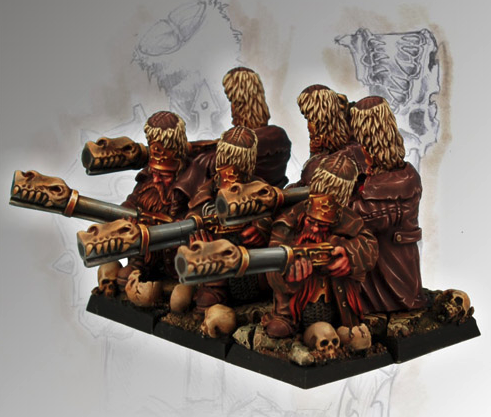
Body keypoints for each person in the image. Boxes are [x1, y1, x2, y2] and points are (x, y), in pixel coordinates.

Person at [263, 154, 378, 338]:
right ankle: (287, 319)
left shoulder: (348, 219)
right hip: (292, 307)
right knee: (279, 328)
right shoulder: (288, 220)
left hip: (338, 303)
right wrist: (287, 273)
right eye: (311, 222)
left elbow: (369, 245)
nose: (315, 229)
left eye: (323, 226)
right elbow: (272, 260)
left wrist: (350, 255)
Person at [349, 96, 428, 313]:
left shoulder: (399, 182)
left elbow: (362, 216)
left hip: (393, 275)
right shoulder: (375, 174)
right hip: (375, 268)